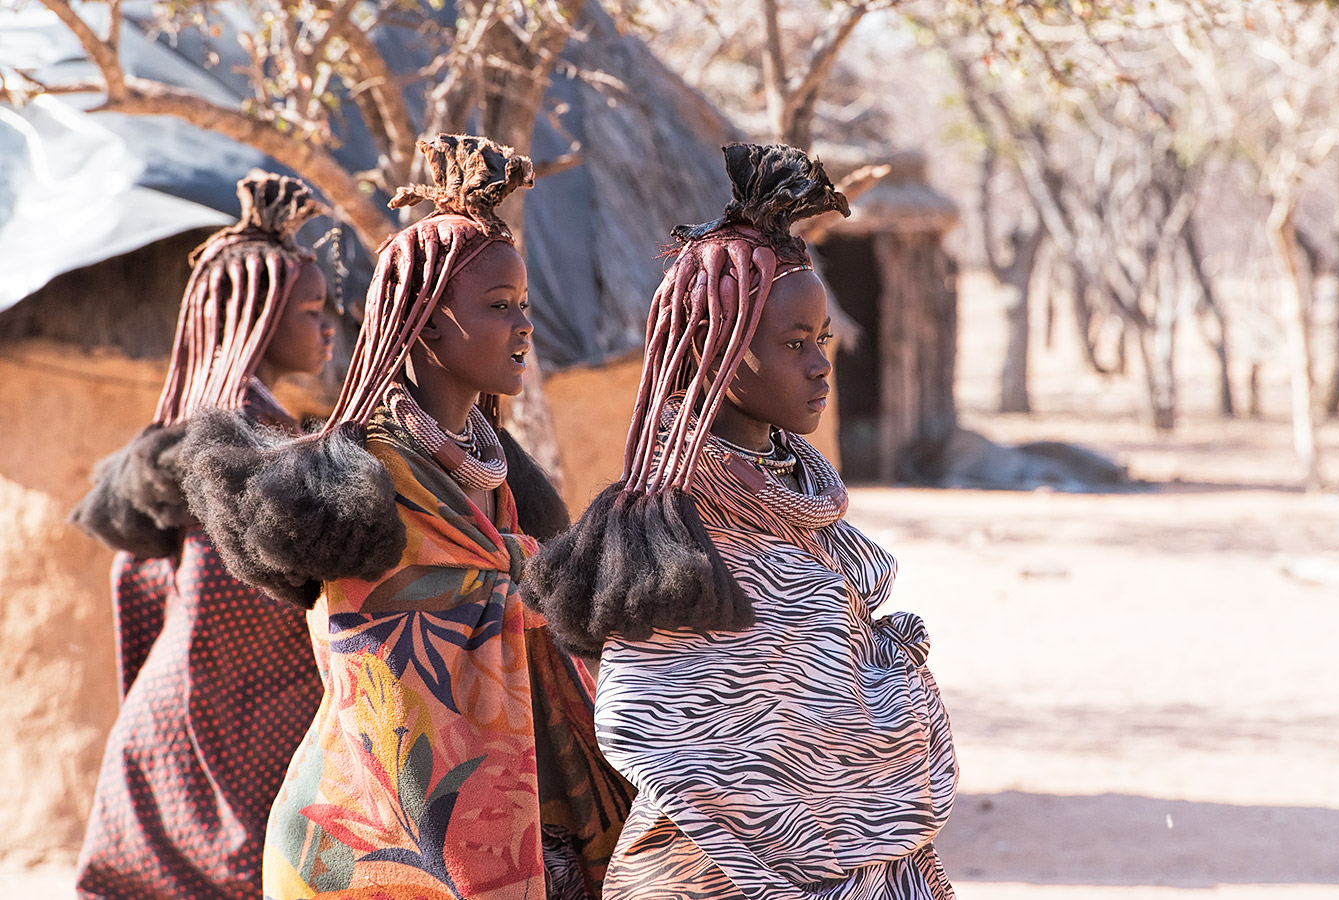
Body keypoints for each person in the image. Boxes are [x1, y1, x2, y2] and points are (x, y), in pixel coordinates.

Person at [181, 134, 632, 900]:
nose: (525, 325)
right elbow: (383, 686)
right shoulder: (364, 487)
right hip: (378, 851)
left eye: (524, 304)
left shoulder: (497, 475)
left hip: (525, 824)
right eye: (498, 307)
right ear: (423, 324)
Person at [527, 142, 958, 900]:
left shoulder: (808, 518)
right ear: (713, 352)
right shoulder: (677, 544)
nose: (822, 364)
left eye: (821, 339)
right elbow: (645, 716)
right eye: (794, 344)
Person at [70, 171, 334, 900]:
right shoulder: (246, 447)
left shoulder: (206, 429)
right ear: (259, 316)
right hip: (216, 755)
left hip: (172, 744)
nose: (328, 326)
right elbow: (242, 611)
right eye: (312, 310)